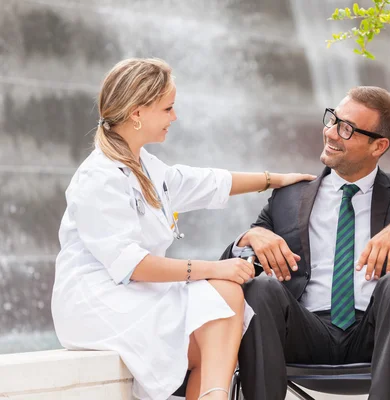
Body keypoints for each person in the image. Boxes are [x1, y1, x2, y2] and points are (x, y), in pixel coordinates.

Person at [50, 58, 315, 400]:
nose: (174, 117)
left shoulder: (145, 166)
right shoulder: (98, 178)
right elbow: (134, 266)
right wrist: (211, 268)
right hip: (97, 304)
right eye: (168, 108)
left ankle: (214, 395)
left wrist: (276, 179)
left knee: (223, 301)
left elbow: (206, 182)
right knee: (221, 297)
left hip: (135, 296)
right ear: (137, 113)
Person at [222, 86, 390, 400]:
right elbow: (226, 267)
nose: (330, 133)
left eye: (346, 129)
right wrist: (249, 237)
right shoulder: (289, 196)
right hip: (304, 331)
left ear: (378, 146)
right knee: (260, 288)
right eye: (333, 120)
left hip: (379, 333)